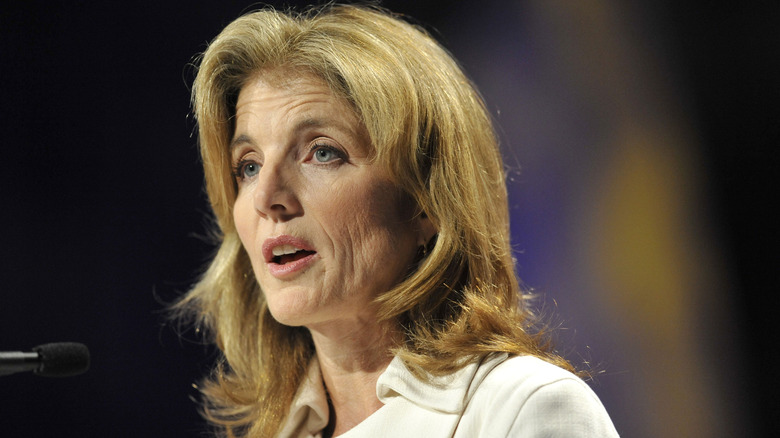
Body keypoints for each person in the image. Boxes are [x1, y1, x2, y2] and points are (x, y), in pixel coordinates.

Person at [175, 4, 619, 437]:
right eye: (248, 165)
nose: (267, 198)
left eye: (322, 152)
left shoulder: (521, 408)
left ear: (427, 201)